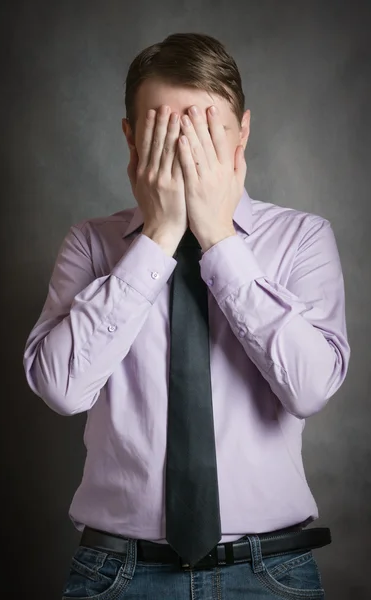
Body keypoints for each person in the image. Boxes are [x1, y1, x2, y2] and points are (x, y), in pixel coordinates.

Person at [23, 32, 350, 600]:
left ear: (242, 132)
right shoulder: (90, 245)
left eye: (204, 129)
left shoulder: (302, 238)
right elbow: (62, 388)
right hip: (118, 575)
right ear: (130, 137)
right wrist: (159, 237)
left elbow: (310, 388)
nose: (184, 149)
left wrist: (218, 239)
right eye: (163, 130)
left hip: (268, 572)